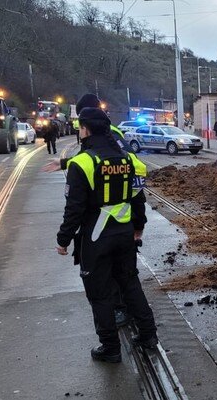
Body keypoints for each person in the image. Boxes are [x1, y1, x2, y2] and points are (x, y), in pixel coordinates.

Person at [56, 107, 158, 363]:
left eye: (80, 128)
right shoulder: (127, 159)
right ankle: (149, 335)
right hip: (124, 235)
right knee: (130, 284)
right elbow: (137, 197)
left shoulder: (83, 162)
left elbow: (74, 209)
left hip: (96, 238)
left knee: (100, 294)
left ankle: (110, 348)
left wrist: (63, 239)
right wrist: (138, 226)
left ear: (86, 130)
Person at [44, 93, 136, 327]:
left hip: (105, 221)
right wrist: (65, 163)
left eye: (80, 123)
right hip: (119, 219)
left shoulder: (109, 135)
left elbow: (99, 163)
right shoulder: (106, 133)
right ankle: (138, 324)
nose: (79, 128)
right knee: (123, 275)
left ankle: (118, 315)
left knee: (111, 279)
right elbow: (93, 159)